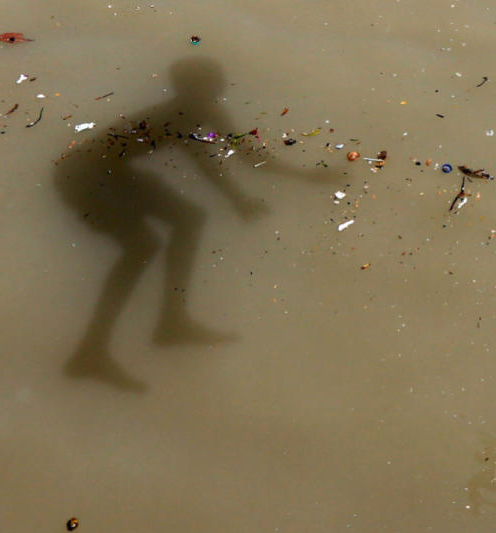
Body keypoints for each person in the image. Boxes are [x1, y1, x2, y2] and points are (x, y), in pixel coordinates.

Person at [54, 56, 331, 389]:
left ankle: (171, 323)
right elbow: (210, 161)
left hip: (110, 174)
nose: (220, 85)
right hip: (82, 176)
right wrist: (295, 181)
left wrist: (255, 194)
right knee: (143, 245)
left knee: (189, 219)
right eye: (213, 81)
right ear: (196, 88)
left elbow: (244, 157)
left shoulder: (198, 111)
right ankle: (93, 352)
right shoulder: (184, 113)